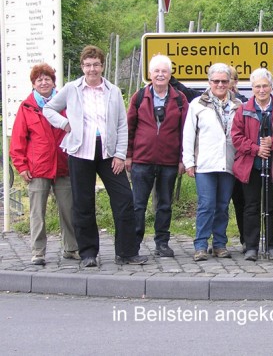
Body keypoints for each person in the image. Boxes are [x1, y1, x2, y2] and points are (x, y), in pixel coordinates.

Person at [43, 45, 147, 268]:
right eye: (88, 65)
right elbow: (48, 109)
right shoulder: (72, 89)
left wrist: (120, 154)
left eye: (96, 64)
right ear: (82, 67)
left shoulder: (113, 91)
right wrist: (65, 124)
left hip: (109, 153)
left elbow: (122, 124)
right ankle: (88, 253)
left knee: (124, 199)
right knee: (83, 203)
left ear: (102, 66)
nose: (92, 69)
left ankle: (127, 252)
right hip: (81, 151)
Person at [10, 63, 78, 265]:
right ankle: (38, 252)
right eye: (39, 79)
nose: (43, 82)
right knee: (37, 213)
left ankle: (71, 248)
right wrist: (21, 166)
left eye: (47, 79)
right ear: (33, 84)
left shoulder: (65, 103)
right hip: (37, 168)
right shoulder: (27, 107)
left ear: (54, 82)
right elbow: (18, 140)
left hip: (64, 165)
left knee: (68, 210)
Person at [126, 55, 188, 257]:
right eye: (157, 71)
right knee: (138, 204)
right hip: (141, 160)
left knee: (164, 204)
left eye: (164, 71)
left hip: (169, 160)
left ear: (170, 74)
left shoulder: (180, 99)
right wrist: (128, 155)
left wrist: (183, 159)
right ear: (150, 74)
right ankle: (133, 243)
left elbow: (185, 131)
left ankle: (162, 243)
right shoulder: (139, 97)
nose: (160, 75)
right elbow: (129, 127)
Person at [232, 68, 273, 261]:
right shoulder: (244, 110)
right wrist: (256, 149)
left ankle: (272, 246)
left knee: (272, 207)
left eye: (265, 86)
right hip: (250, 166)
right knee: (251, 206)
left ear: (271, 87)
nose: (261, 90)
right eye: (257, 86)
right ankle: (251, 246)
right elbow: (236, 137)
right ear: (252, 88)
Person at [182, 63, 242, 262]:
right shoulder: (197, 104)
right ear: (209, 82)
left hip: (228, 162)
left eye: (224, 81)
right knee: (206, 205)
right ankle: (200, 245)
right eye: (216, 81)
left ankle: (219, 244)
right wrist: (189, 161)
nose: (220, 85)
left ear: (230, 82)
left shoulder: (237, 104)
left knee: (222, 206)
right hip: (205, 163)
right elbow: (188, 135)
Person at [228, 66, 248, 251]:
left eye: (231, 79)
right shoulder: (206, 102)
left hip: (240, 160)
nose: (227, 83)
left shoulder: (244, 103)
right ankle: (218, 241)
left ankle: (246, 239)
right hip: (218, 161)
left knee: (242, 202)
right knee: (217, 204)